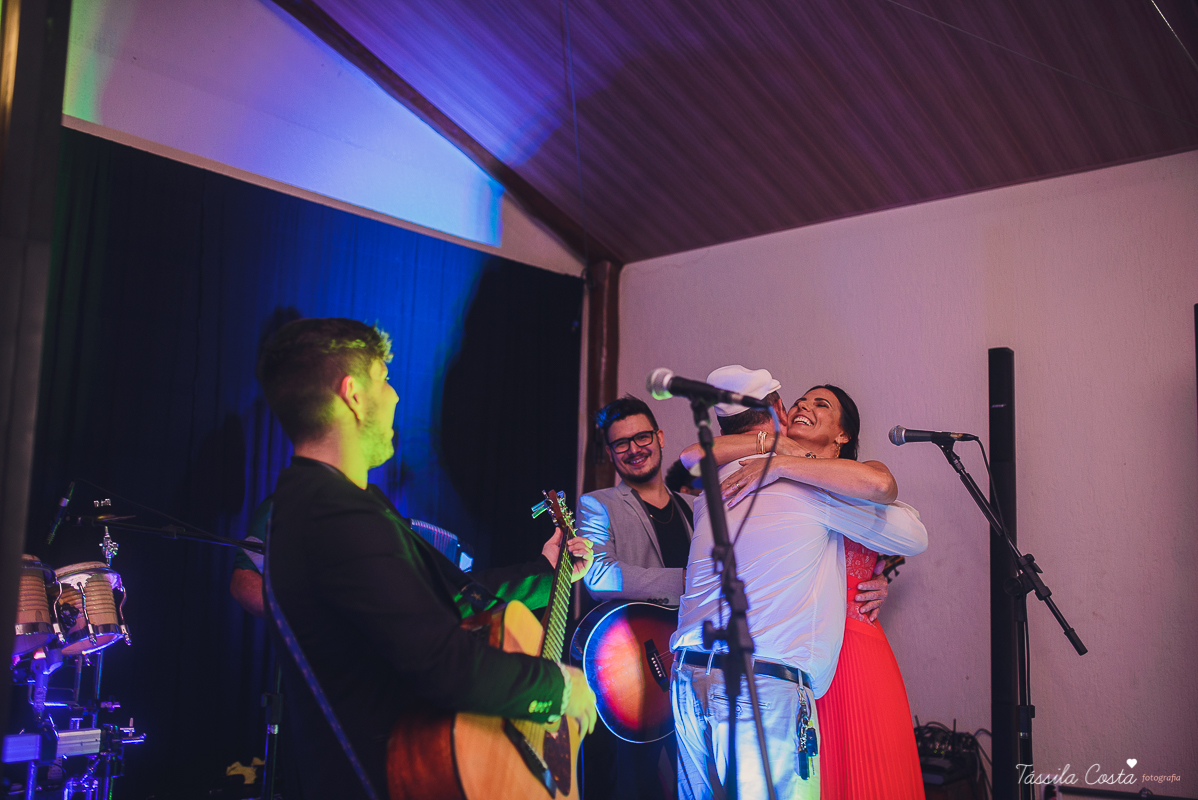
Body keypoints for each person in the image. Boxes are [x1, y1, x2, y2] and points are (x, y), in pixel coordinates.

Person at [256, 317, 597, 799]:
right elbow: (446, 664)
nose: (395, 396)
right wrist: (560, 687)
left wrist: (547, 572)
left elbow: (447, 597)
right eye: (384, 379)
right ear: (353, 395)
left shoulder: (325, 502)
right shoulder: (332, 512)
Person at [670, 366, 928, 800]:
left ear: (843, 434)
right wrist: (779, 457)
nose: (804, 406)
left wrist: (782, 461)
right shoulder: (796, 486)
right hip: (770, 673)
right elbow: (912, 534)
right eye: (799, 401)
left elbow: (692, 458)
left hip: (697, 670)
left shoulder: (726, 477)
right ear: (778, 414)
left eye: (820, 403)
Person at [576, 394, 694, 800]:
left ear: (659, 437)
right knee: (636, 785)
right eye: (621, 443)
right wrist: (688, 580)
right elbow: (598, 576)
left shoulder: (695, 508)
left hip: (693, 665)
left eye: (641, 437)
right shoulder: (598, 504)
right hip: (638, 672)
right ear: (611, 453)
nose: (634, 449)